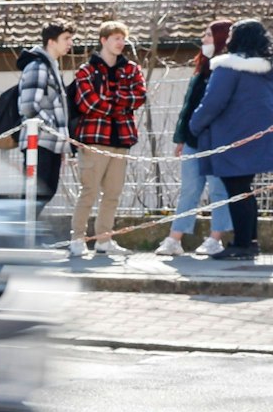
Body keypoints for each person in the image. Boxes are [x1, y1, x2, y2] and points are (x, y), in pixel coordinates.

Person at [189, 17, 273, 261]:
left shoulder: (228, 68)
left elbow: (213, 103)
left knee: (237, 191)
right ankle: (250, 241)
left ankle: (242, 244)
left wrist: (194, 126)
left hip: (232, 139)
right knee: (245, 192)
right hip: (258, 140)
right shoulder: (266, 70)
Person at [68, 21, 148, 258]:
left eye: (123, 38)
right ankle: (77, 238)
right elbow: (87, 103)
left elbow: (139, 96)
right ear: (103, 40)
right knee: (89, 190)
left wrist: (110, 101)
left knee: (113, 192)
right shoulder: (86, 71)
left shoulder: (132, 69)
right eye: (116, 38)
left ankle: (104, 239)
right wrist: (119, 104)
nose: (121, 43)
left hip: (121, 139)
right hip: (94, 138)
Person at [159, 20, 235, 256]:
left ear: (221, 40)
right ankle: (174, 239)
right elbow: (189, 106)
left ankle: (215, 238)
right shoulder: (201, 69)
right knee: (190, 189)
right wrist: (182, 137)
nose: (203, 40)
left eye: (208, 36)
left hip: (218, 142)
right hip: (194, 141)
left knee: (218, 190)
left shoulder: (229, 70)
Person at [16, 21, 75, 218]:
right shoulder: (37, 66)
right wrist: (50, 128)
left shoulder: (51, 67)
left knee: (46, 190)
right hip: (38, 141)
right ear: (51, 41)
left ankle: (23, 235)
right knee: (36, 192)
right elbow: (28, 106)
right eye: (66, 39)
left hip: (50, 142)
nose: (70, 43)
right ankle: (19, 236)